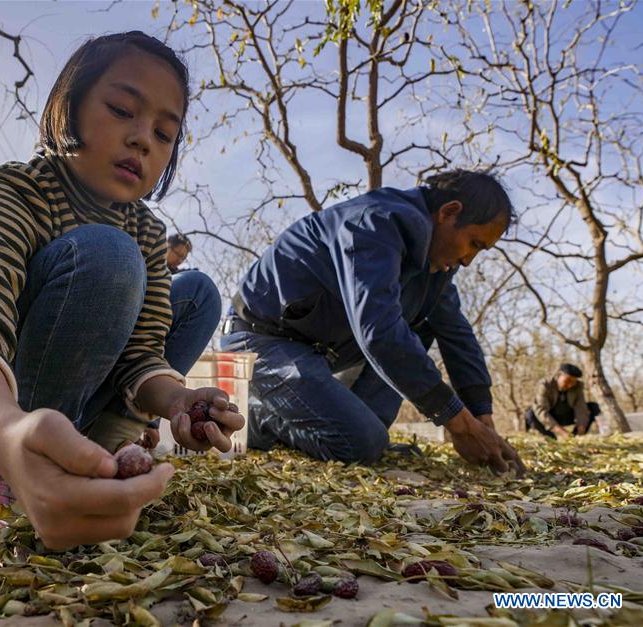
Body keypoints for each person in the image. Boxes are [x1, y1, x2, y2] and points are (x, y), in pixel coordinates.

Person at [0, 32, 242, 550]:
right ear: (69, 108)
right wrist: (8, 430)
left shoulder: (148, 232)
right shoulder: (14, 191)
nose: (142, 139)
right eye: (122, 109)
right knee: (107, 256)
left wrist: (178, 402)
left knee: (197, 293)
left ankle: (98, 450)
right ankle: (23, 468)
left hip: (82, 385)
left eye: (164, 133)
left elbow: (141, 355)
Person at [221, 169, 525, 476]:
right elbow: (378, 331)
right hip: (259, 340)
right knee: (359, 444)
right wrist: (459, 423)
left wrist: (482, 418)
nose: (468, 260)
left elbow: (456, 333)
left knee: (420, 331)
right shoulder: (375, 222)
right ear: (449, 212)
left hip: (318, 351)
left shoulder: (434, 269)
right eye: (474, 243)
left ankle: (364, 429)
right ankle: (251, 420)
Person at [524, 363, 600, 438]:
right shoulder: (545, 385)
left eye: (573, 382)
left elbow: (581, 407)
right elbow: (541, 410)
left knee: (593, 407)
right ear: (559, 375)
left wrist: (582, 426)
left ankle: (575, 436)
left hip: (567, 416)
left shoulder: (578, 387)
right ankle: (550, 437)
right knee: (530, 414)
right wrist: (560, 431)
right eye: (567, 381)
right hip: (551, 416)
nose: (570, 385)